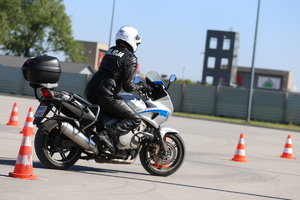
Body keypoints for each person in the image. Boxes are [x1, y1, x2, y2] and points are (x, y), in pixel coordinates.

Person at [85, 25, 144, 154]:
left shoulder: (110, 51)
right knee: (135, 119)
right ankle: (105, 135)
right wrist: (141, 87)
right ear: (131, 40)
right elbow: (128, 86)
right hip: (106, 94)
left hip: (90, 90)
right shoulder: (130, 57)